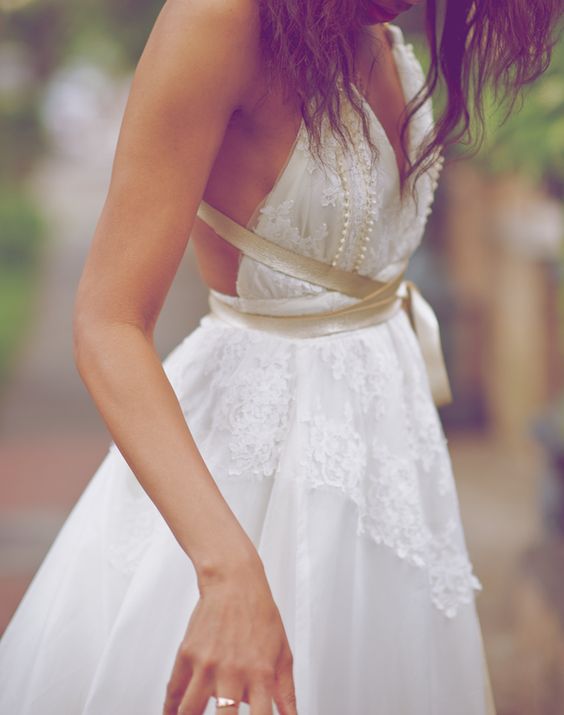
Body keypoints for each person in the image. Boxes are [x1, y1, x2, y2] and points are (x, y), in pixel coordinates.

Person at [0, 0, 560, 713]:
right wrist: (227, 569)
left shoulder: (380, 29)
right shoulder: (220, 20)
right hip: (248, 483)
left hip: (393, 465)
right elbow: (107, 322)